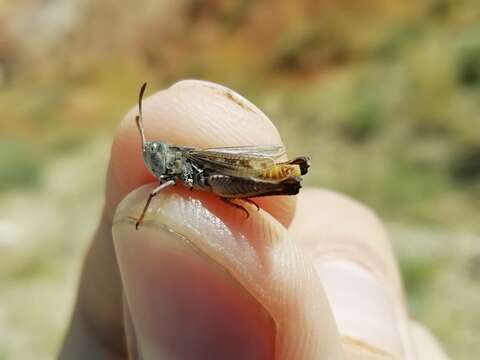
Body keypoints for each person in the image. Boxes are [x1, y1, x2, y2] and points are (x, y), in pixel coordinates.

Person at [59, 80, 449, 359]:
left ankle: (285, 174)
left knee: (241, 181)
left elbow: (201, 182)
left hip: (232, 172)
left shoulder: (180, 168)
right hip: (220, 182)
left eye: (155, 152)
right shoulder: (166, 175)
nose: (152, 157)